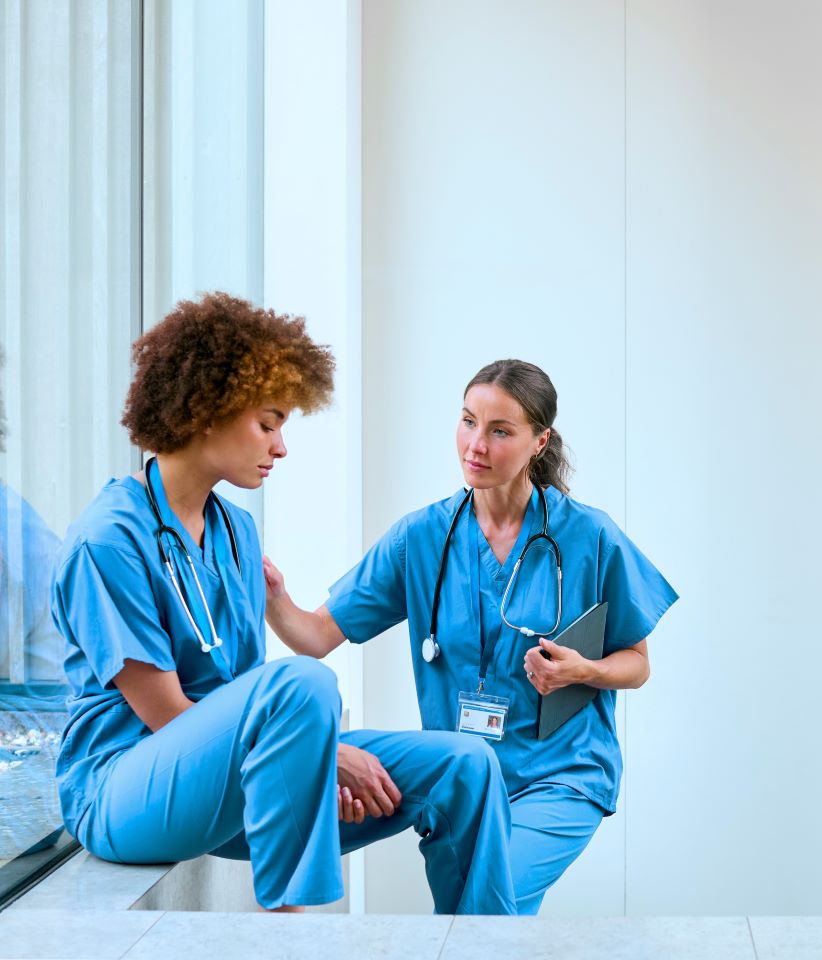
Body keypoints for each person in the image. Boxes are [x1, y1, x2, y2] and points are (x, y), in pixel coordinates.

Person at [51, 294, 516, 913]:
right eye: (268, 423)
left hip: (228, 788)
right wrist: (323, 757)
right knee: (304, 683)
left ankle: (482, 948)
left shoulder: (235, 532)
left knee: (467, 763)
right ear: (208, 408)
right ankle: (295, 939)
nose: (281, 446)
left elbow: (245, 694)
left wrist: (311, 765)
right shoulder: (107, 540)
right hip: (121, 794)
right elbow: (168, 717)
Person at [265, 359, 678, 914]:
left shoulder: (590, 536)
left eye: (500, 430)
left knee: (485, 912)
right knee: (463, 927)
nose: (475, 444)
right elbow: (315, 637)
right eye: (467, 421)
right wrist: (272, 597)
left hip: (559, 774)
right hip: (458, 784)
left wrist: (585, 671)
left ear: (540, 441)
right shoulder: (422, 537)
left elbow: (637, 662)